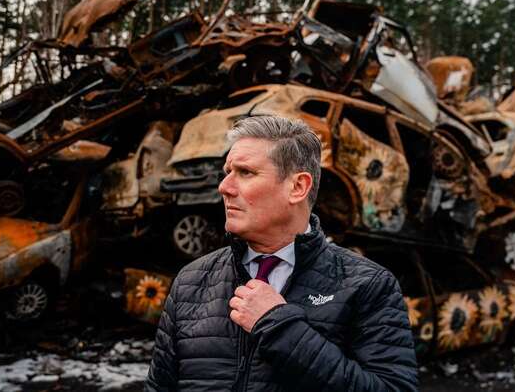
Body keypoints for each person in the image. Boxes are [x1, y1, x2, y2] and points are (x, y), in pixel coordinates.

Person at [146, 115, 418, 391]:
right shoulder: (191, 281)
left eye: (246, 173)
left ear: (298, 187)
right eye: (227, 172)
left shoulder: (368, 286)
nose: (224, 187)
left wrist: (279, 327)